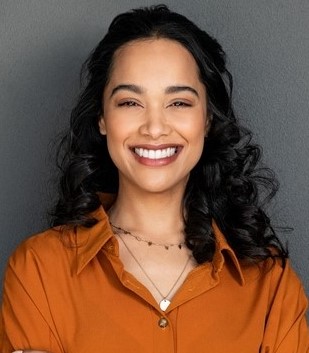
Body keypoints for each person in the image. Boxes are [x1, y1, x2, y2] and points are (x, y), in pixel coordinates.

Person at [0, 4, 308, 353]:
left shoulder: (271, 285)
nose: (155, 128)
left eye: (178, 103)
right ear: (102, 118)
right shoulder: (39, 270)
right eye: (130, 103)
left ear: (207, 120)